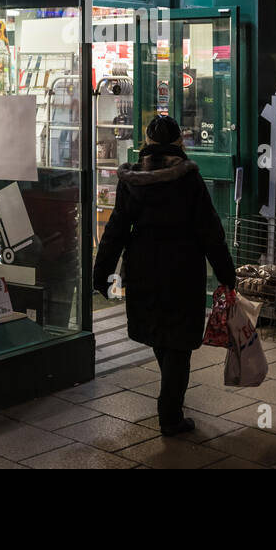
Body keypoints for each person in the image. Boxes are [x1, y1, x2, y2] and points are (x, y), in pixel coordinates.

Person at [93, 114, 236, 436]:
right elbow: (210, 231)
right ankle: (170, 414)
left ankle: (169, 401)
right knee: (179, 342)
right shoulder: (189, 178)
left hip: (143, 263)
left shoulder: (130, 180)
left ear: (146, 141)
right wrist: (227, 274)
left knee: (158, 330)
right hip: (183, 265)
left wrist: (101, 272)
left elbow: (116, 228)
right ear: (179, 142)